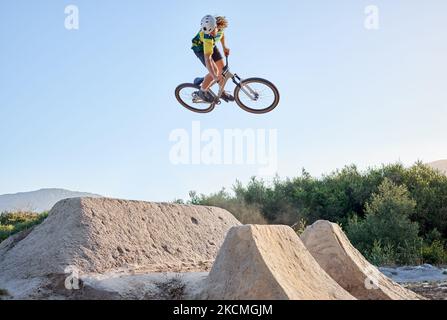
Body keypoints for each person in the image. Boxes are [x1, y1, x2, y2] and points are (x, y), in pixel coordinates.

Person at [191, 15, 234, 103]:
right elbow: (208, 59)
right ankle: (202, 92)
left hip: (211, 46)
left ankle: (222, 93)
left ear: (216, 26)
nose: (210, 34)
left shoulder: (220, 27)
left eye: (212, 31)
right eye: (209, 33)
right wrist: (214, 76)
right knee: (214, 71)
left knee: (222, 70)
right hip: (200, 49)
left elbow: (221, 35)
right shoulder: (207, 37)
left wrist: (224, 47)